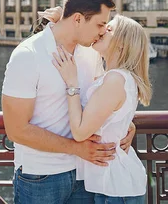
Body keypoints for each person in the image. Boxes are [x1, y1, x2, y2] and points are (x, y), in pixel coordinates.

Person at [2, 0, 136, 204]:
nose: (103, 31)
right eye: (100, 24)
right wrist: (77, 149)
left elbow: (104, 102)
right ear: (77, 19)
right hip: (41, 177)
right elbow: (16, 130)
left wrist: (127, 125)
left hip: (87, 174)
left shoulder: (91, 54)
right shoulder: (27, 56)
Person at [52, 14, 152, 203]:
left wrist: (71, 83)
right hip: (112, 183)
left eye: (109, 29)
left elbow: (80, 132)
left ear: (122, 43)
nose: (101, 30)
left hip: (115, 186)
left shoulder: (115, 79)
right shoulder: (118, 77)